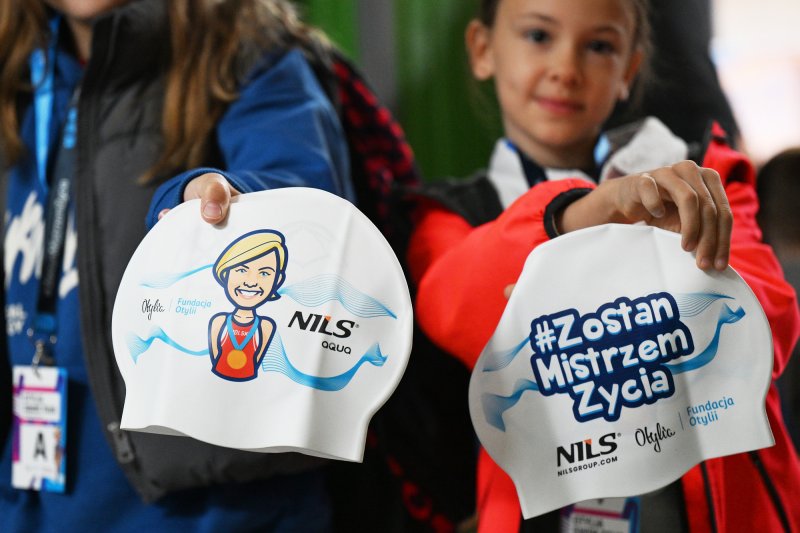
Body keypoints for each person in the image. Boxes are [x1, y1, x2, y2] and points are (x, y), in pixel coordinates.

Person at [407, 0, 800, 532]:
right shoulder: (451, 213)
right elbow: (452, 311)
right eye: (538, 36)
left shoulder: (704, 177)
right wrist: (590, 212)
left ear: (628, 70)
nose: (566, 69)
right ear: (482, 49)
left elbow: (765, 328)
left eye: (599, 46)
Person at [0, 0, 354, 530]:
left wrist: (221, 205)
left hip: (222, 512)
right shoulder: (21, 78)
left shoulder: (249, 53)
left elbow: (311, 216)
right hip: (39, 504)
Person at [208, 230, 287, 382]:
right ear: (226, 273)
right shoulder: (219, 321)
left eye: (264, 273)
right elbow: (215, 354)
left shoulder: (265, 326)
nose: (251, 282)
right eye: (242, 270)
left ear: (277, 280)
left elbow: (258, 357)